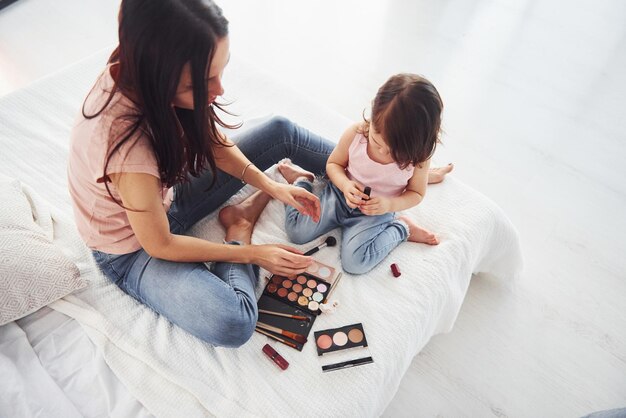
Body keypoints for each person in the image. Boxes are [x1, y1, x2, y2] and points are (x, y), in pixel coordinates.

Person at [67, 0, 335, 348]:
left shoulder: (137, 55)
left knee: (281, 130)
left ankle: (364, 174)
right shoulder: (126, 149)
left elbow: (213, 142)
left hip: (164, 199)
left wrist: (272, 185)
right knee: (234, 321)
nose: (220, 90)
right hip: (133, 250)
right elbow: (159, 243)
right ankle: (239, 224)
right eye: (205, 81)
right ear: (159, 77)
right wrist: (253, 253)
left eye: (220, 71)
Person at [279, 73, 453, 275]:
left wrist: (389, 205)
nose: (384, 153)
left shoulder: (419, 159)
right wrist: (345, 185)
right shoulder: (356, 134)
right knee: (296, 232)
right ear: (372, 119)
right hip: (340, 196)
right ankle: (302, 181)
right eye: (378, 144)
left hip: (376, 213)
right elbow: (334, 164)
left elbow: (416, 193)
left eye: (396, 154)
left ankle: (403, 229)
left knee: (355, 263)